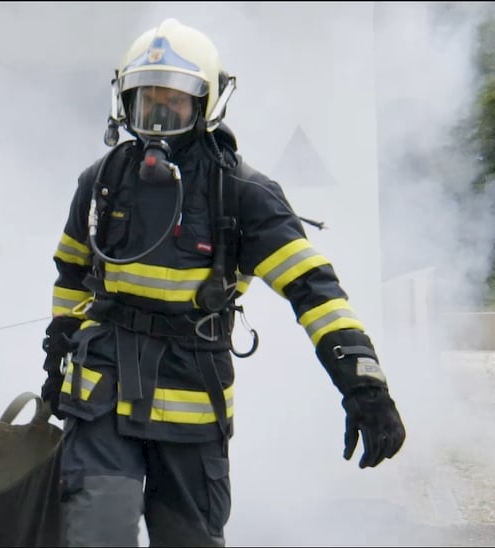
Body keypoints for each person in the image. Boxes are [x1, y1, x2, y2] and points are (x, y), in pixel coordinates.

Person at [39, 18, 407, 547]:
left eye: (175, 101)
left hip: (192, 391)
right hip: (102, 387)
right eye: (146, 101)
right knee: (97, 526)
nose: (159, 116)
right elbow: (71, 272)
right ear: (123, 101)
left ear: (207, 103)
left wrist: (364, 385)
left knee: (188, 539)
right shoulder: (101, 182)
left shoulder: (244, 194)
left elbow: (314, 290)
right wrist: (59, 354)